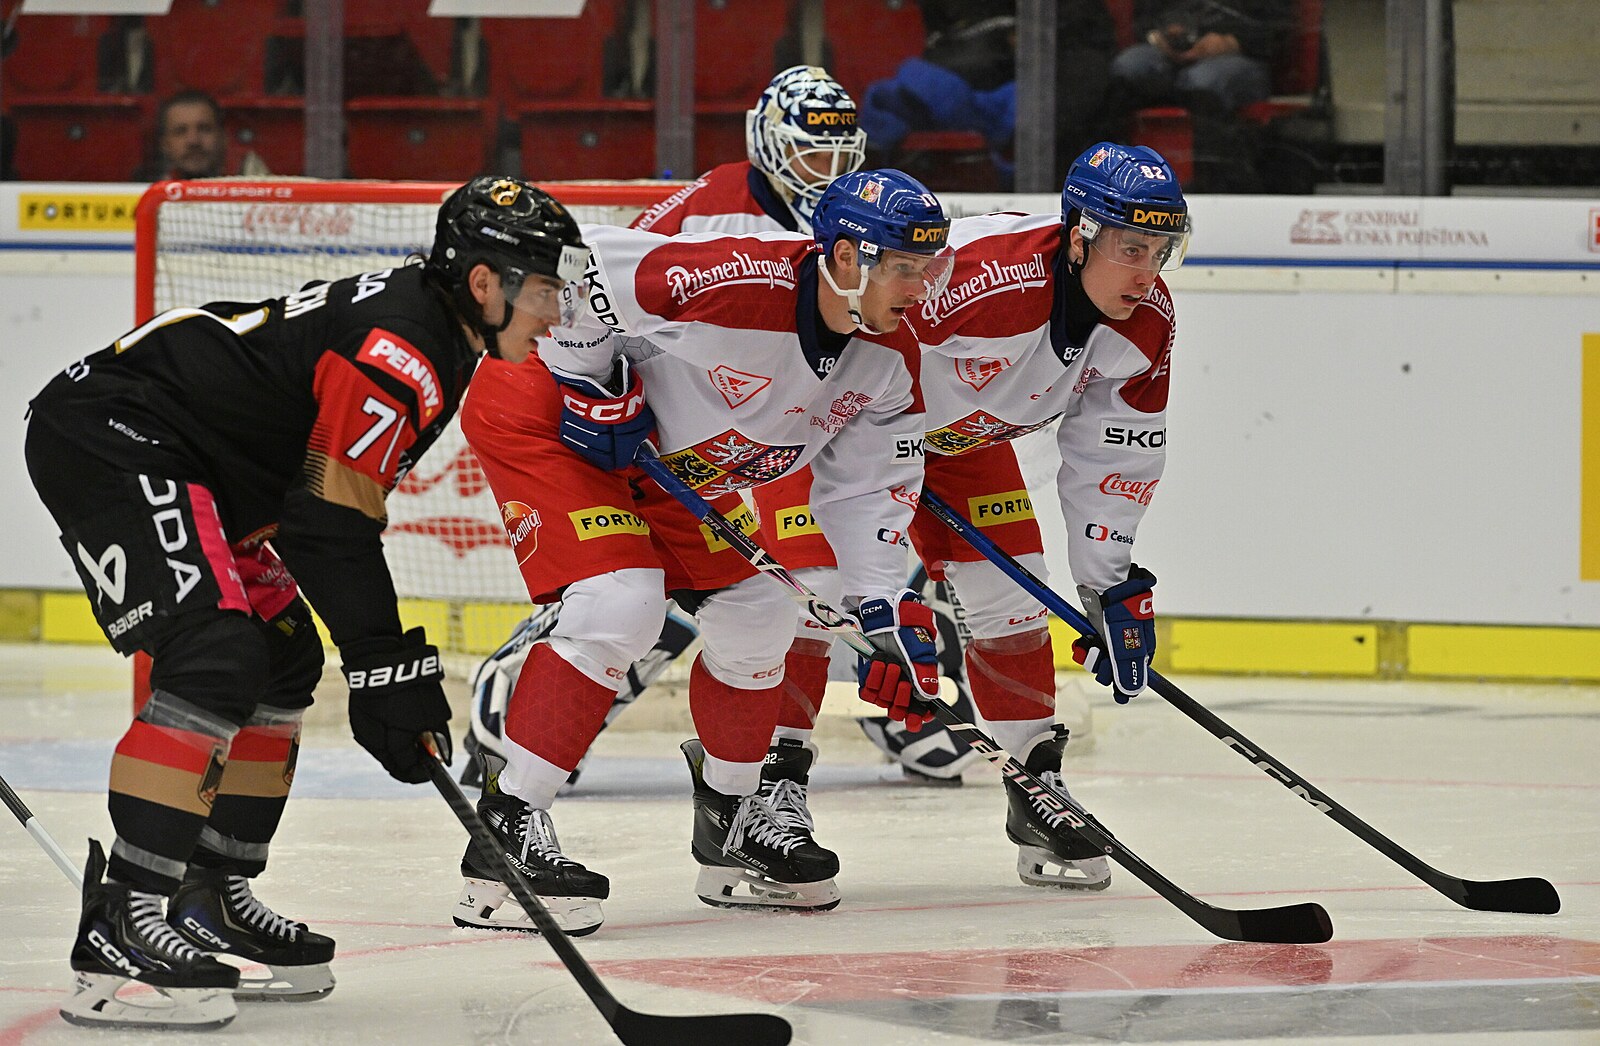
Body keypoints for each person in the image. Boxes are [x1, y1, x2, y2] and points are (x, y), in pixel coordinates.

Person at [25, 176, 591, 1030]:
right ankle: (125, 915)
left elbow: (320, 508)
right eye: (545, 288)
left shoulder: (443, 336)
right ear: (485, 284)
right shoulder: (404, 349)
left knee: (283, 651)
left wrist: (382, 667)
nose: (557, 312)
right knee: (217, 653)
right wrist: (386, 669)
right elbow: (329, 523)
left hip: (203, 465)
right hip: (112, 432)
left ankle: (209, 893)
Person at [452, 169, 953, 931]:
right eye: (907, 270)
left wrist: (881, 608)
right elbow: (580, 261)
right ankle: (504, 835)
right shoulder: (739, 277)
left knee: (758, 611)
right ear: (846, 259)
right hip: (546, 410)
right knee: (623, 602)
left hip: (666, 458)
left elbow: (865, 493)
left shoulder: (888, 359)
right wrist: (590, 378)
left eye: (930, 268)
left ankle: (732, 820)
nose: (922, 290)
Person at [746, 141, 1188, 892]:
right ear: (1078, 235)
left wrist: (1107, 586)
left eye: (1162, 251)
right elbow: (846, 336)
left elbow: (1113, 454)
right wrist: (872, 597)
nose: (1148, 274)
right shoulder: (976, 280)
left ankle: (1036, 784)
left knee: (1013, 593)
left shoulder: (1145, 324)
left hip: (957, 439)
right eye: (1131, 248)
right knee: (813, 593)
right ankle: (765, 791)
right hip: (829, 424)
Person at [857, 1, 1119, 186]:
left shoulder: (1080, 55)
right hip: (970, 70)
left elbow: (1092, 40)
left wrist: (1038, 38)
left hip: (1056, 76)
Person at [633, 64, 866, 236]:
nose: (827, 172)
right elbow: (625, 256)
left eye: (840, 156)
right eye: (811, 155)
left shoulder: (866, 211)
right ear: (770, 144)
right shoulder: (709, 205)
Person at [1108, 0, 1293, 191]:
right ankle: (1118, 175)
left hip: (1240, 57)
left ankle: (1205, 182)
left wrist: (1233, 41)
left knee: (1201, 82)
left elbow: (1280, 23)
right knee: (1129, 66)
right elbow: (1144, 15)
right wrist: (1160, 36)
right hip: (1166, 53)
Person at [132, 90, 269, 182]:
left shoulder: (251, 176)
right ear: (165, 144)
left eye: (204, 129)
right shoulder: (147, 185)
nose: (193, 141)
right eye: (180, 131)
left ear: (223, 137)